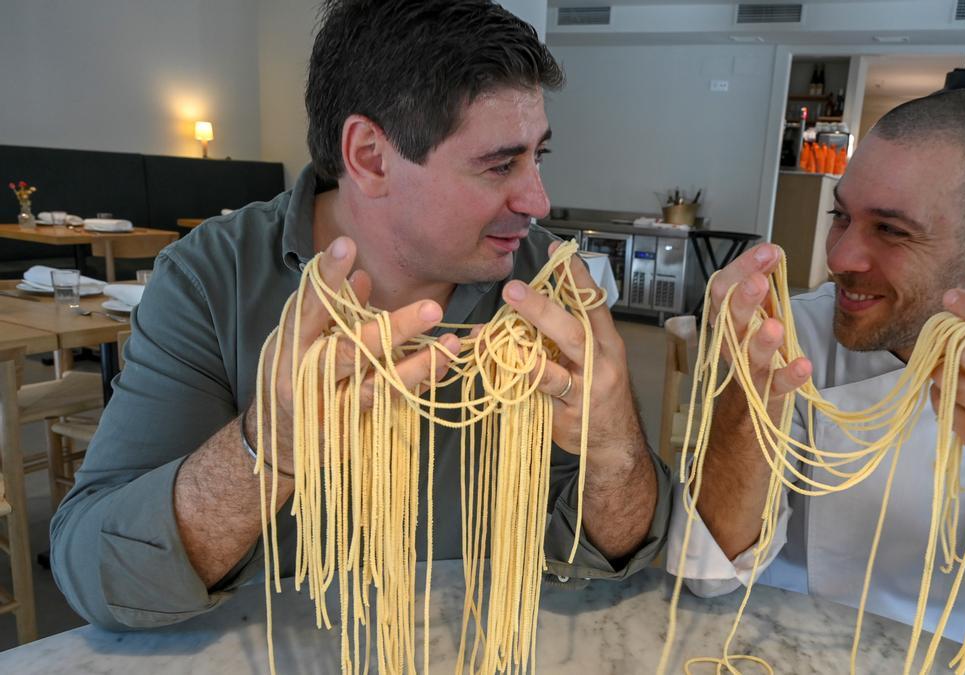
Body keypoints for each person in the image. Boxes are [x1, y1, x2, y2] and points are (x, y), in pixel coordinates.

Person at [51, 0, 670, 631]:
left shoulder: (547, 287)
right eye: (499, 164)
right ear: (371, 156)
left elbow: (611, 556)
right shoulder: (213, 278)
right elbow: (98, 575)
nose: (538, 198)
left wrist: (616, 445)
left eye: (539, 156)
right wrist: (269, 450)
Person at [667, 88, 965, 673]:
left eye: (892, 231)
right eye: (840, 215)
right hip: (774, 643)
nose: (841, 256)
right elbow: (707, 578)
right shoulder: (792, 334)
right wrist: (743, 391)